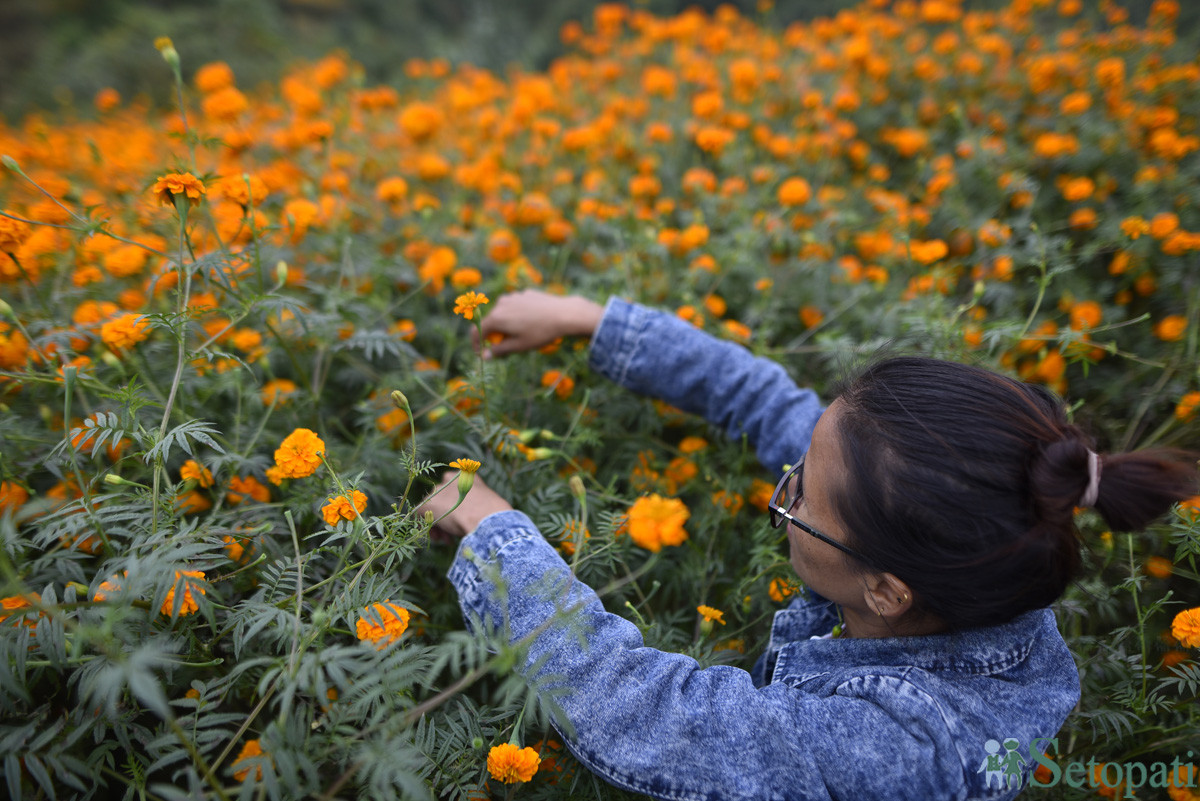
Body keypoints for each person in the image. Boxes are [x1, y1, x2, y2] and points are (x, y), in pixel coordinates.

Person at [420, 290, 1198, 801]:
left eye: (799, 496)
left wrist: (498, 537)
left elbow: (645, 713)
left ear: (888, 591)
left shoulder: (897, 748)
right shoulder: (972, 531)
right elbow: (766, 401)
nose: (784, 489)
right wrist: (592, 319)